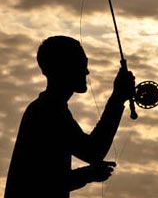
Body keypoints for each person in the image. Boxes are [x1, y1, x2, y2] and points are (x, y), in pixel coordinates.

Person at [4, 35, 135, 198]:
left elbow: (46, 181)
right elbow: (93, 152)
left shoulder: (47, 108)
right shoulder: (49, 112)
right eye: (82, 64)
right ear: (64, 68)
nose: (87, 71)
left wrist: (87, 174)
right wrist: (117, 99)